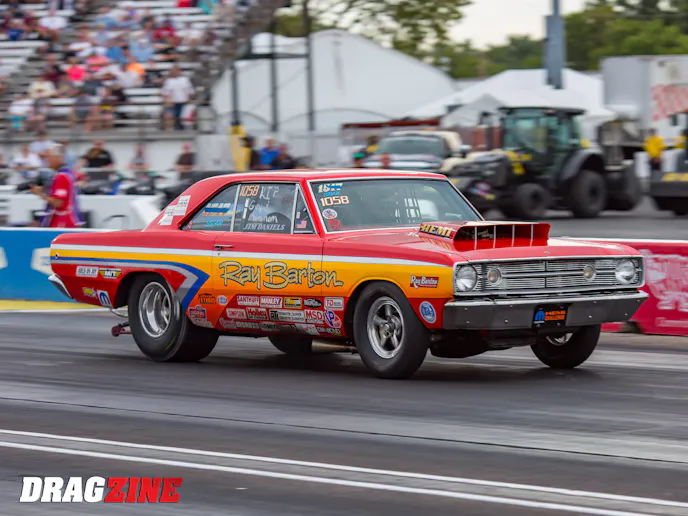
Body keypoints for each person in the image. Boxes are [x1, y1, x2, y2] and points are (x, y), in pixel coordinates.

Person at [30, 145, 83, 228]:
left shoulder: (61, 176)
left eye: (49, 157)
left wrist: (40, 194)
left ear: (58, 158)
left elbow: (58, 203)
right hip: (68, 220)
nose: (47, 160)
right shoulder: (68, 174)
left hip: (62, 222)